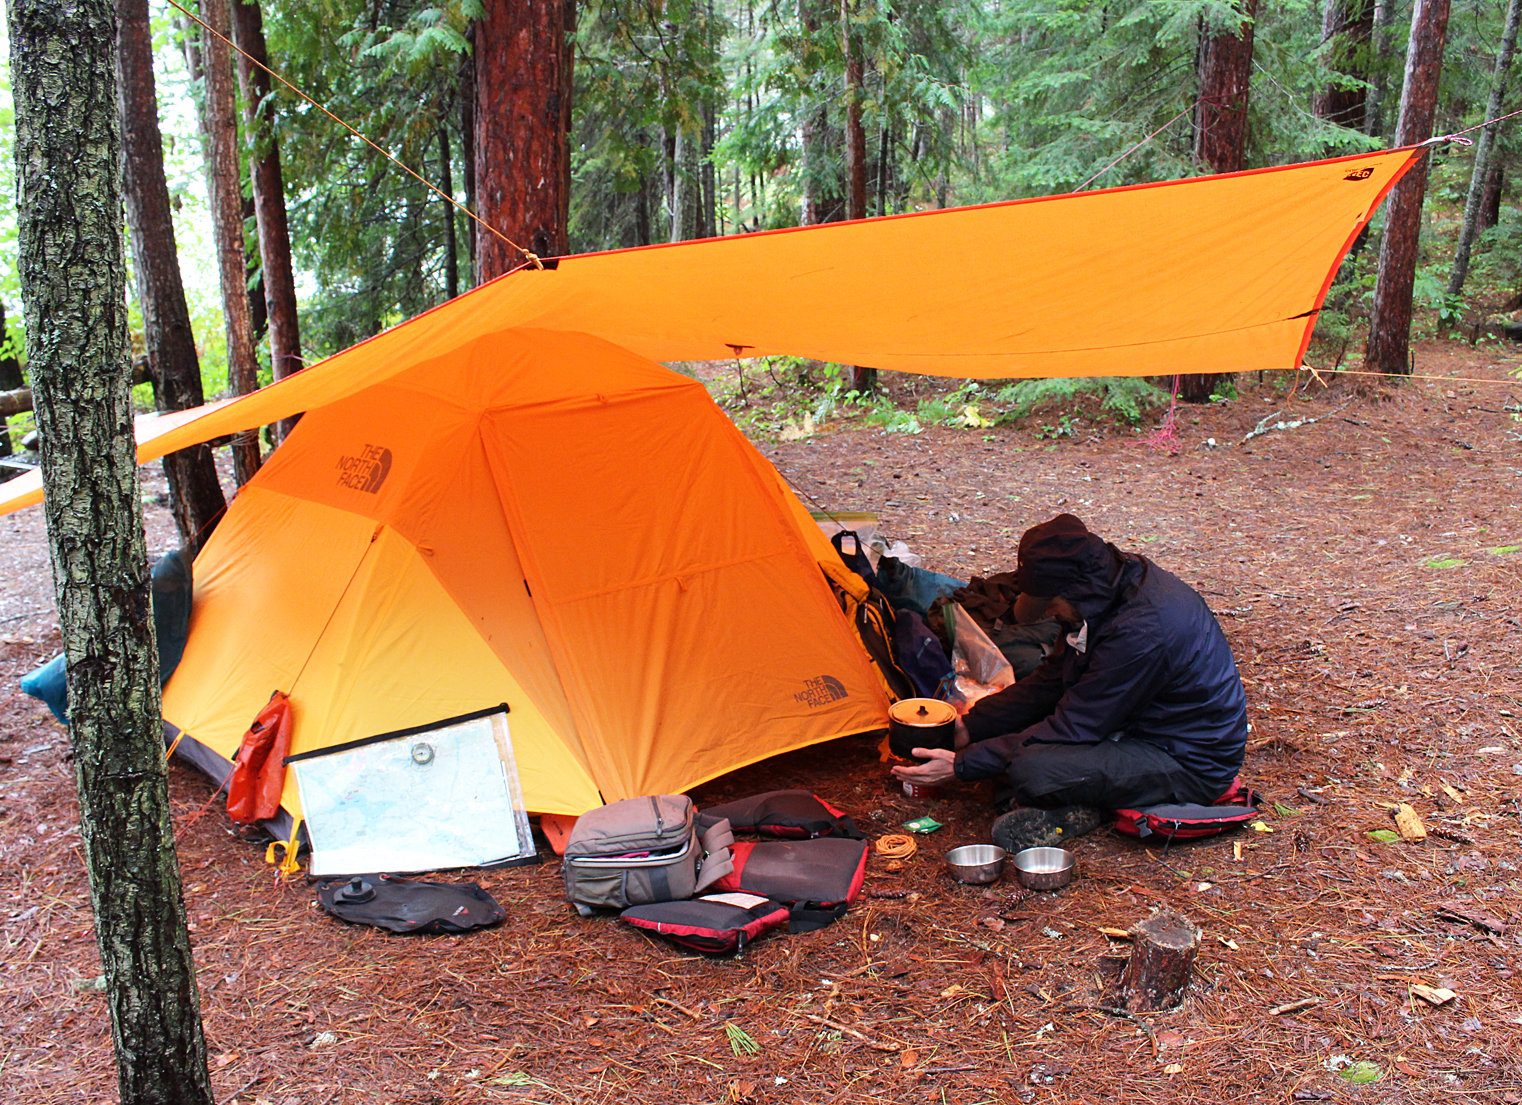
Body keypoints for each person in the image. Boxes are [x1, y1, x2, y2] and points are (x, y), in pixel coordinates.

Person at [891, 513, 1248, 852]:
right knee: (1010, 749)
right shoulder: (1102, 597)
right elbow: (1049, 682)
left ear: (1077, 591)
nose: (1048, 613)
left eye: (1051, 604)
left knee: (1031, 768)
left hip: (1188, 759)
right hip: (1132, 725)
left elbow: (1075, 727)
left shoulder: (1140, 630)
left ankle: (1085, 808)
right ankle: (1079, 793)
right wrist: (972, 726)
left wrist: (963, 765)